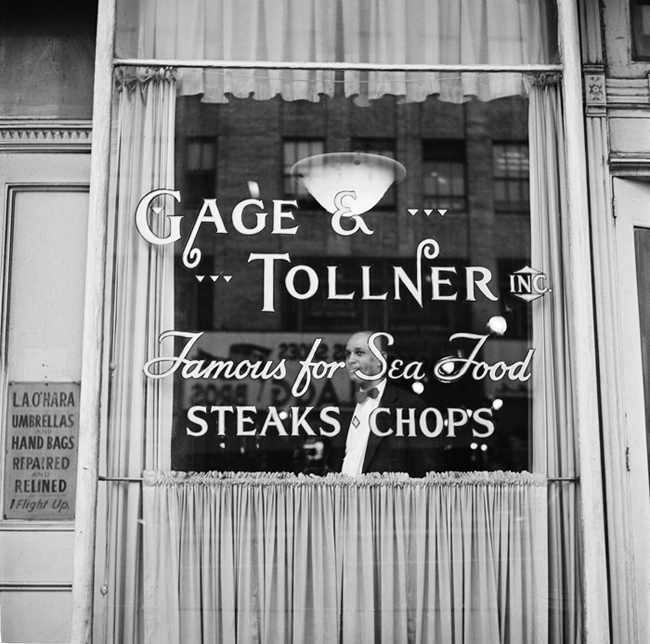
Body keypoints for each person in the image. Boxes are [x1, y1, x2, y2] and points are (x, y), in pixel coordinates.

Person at [330, 330, 441, 477]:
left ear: (380, 360)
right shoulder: (344, 410)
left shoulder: (410, 406)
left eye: (359, 353)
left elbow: (430, 475)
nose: (350, 360)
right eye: (347, 354)